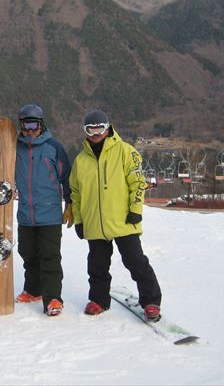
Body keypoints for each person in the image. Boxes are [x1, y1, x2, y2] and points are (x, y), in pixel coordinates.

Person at [69, 109, 162, 321]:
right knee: (97, 265)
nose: (95, 134)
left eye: (99, 129)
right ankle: (98, 300)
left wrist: (135, 210)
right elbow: (75, 193)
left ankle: (151, 301)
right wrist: (79, 220)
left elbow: (138, 183)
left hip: (123, 220)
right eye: (90, 130)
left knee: (136, 262)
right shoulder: (81, 160)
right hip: (94, 222)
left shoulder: (125, 151)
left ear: (108, 128)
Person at [0, 105, 72, 317]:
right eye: (26, 126)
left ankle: (53, 298)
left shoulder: (53, 147)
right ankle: (33, 290)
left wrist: (70, 203)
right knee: (28, 254)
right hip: (26, 214)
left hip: (49, 214)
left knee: (49, 257)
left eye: (34, 125)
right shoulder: (15, 147)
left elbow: (67, 177)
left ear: (41, 124)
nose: (30, 130)